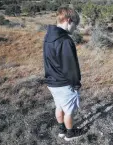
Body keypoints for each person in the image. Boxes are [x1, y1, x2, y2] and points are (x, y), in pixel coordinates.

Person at [43, 6, 82, 141]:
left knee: (59, 106)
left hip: (51, 82)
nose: (75, 29)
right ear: (69, 20)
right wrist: (76, 83)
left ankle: (61, 130)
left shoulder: (48, 35)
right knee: (69, 111)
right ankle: (70, 134)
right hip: (64, 83)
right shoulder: (65, 40)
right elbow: (70, 67)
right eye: (75, 25)